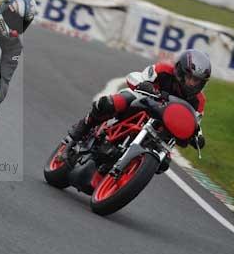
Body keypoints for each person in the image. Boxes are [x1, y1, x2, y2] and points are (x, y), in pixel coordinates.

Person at [66, 49, 211, 172]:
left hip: (163, 125)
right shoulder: (163, 70)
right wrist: (146, 85)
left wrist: (197, 136)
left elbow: (194, 122)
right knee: (110, 103)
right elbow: (136, 77)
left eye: (196, 80)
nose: (192, 83)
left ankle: (128, 171)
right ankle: (82, 127)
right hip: (143, 104)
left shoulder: (199, 101)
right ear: (180, 70)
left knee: (164, 163)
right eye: (190, 77)